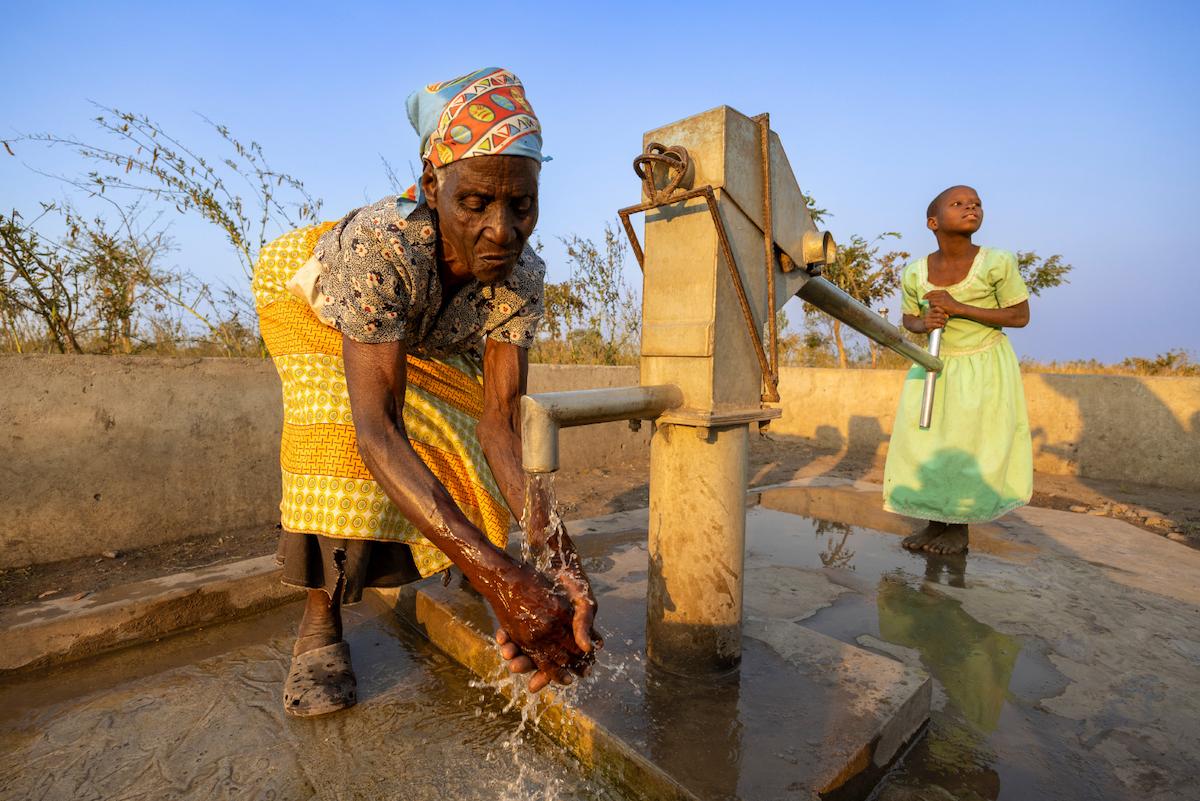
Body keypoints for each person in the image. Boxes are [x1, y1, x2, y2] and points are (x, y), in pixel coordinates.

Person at [252, 67, 599, 717]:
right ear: (433, 184)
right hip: (321, 307)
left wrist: (559, 560)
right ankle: (319, 622)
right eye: (476, 204)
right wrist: (499, 574)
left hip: (427, 335)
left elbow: (501, 425)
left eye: (521, 205)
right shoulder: (384, 246)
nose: (503, 230)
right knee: (338, 440)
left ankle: (481, 567)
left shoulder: (521, 277)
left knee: (466, 436)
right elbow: (378, 428)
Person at [882, 185, 1033, 555]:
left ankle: (958, 528)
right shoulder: (915, 272)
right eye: (959, 203)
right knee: (928, 442)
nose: (971, 207)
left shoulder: (998, 262)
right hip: (933, 364)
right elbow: (909, 320)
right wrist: (926, 322)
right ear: (933, 222)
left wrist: (958, 306)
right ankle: (934, 521)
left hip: (981, 363)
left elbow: (1020, 316)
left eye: (977, 203)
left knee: (967, 443)